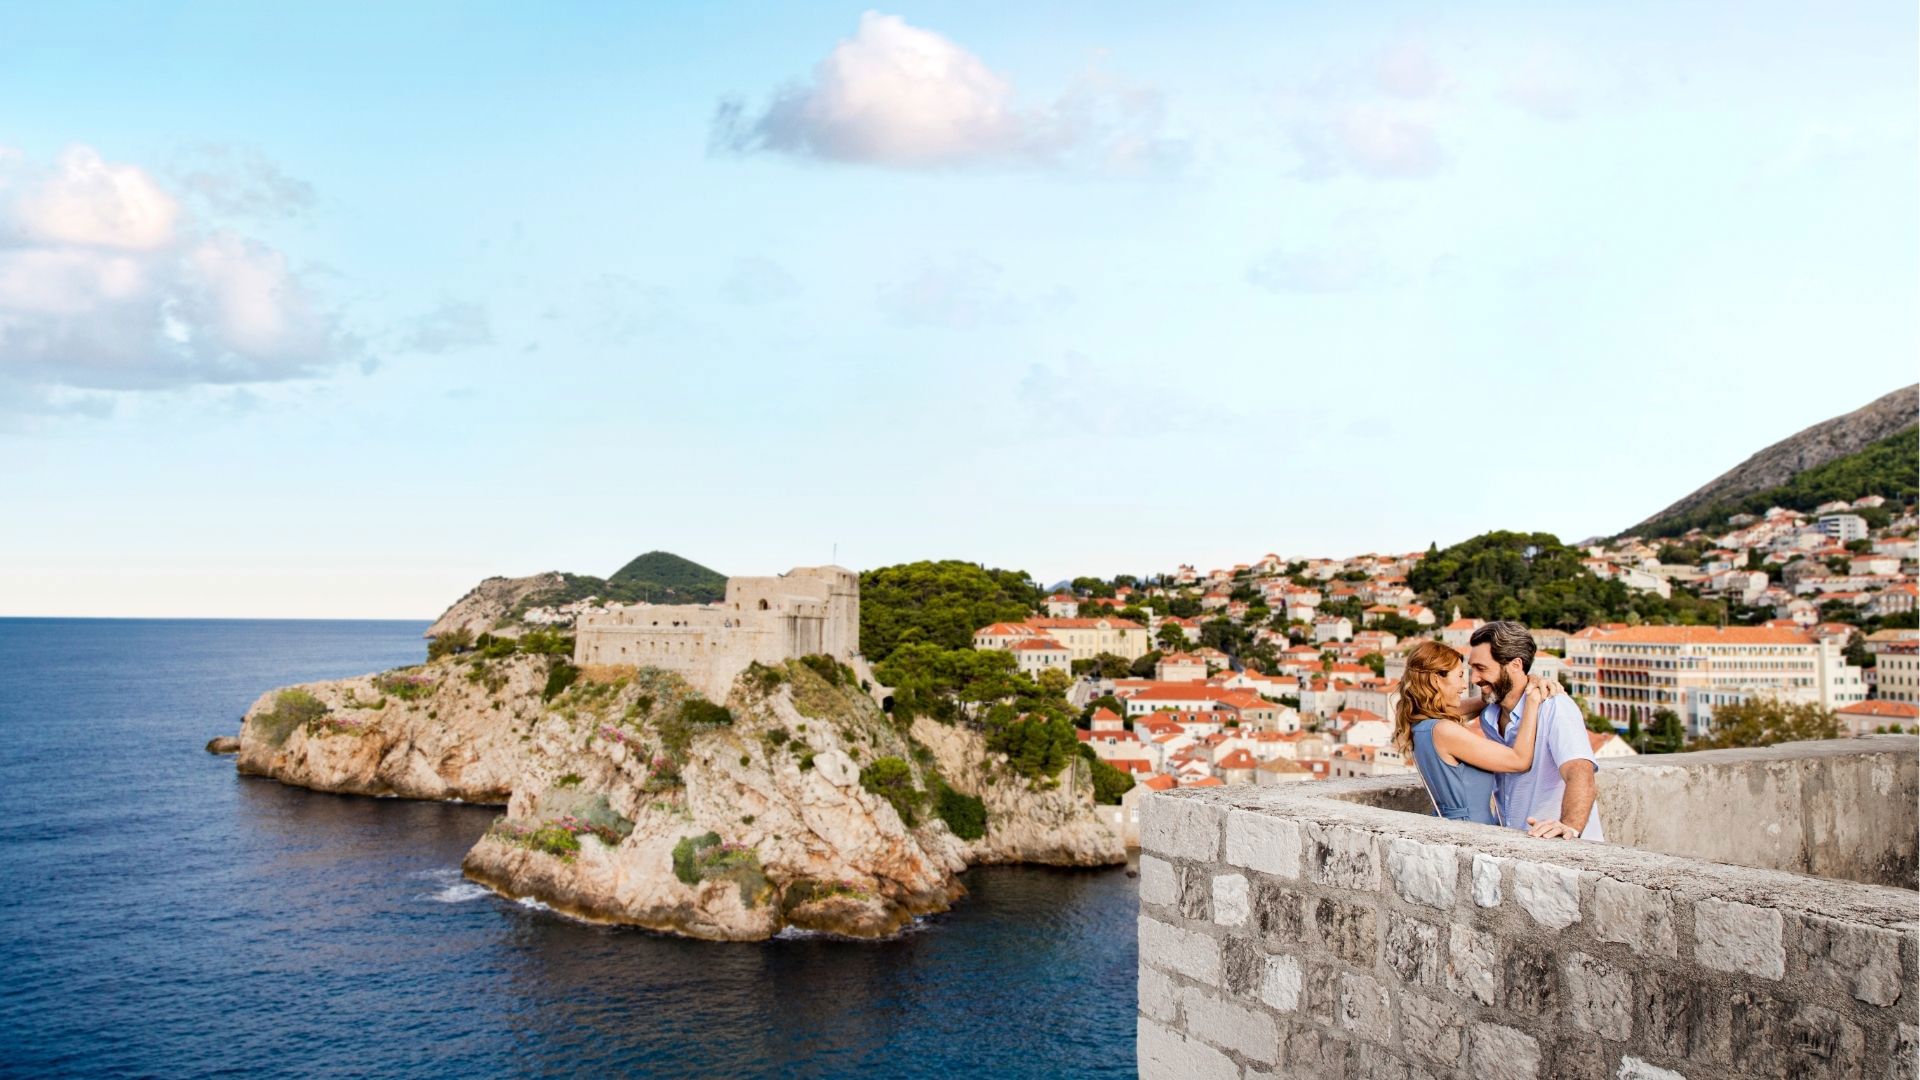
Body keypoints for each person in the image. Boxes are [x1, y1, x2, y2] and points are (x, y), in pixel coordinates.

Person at [1392, 640, 1561, 825]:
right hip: (1470, 831)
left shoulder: (1419, 722)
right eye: (1460, 676)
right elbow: (1519, 760)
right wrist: (1532, 701)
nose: (1465, 685)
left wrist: (1523, 682)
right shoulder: (1443, 730)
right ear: (1436, 679)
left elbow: (1490, 699)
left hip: (1449, 827)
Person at [1468, 620, 1604, 841]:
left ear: (1515, 665)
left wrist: (1569, 827)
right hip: (1515, 845)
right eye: (1472, 668)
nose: (1474, 678)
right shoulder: (1489, 716)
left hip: (1556, 847)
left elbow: (1580, 772)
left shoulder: (1555, 706)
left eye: (1481, 669)